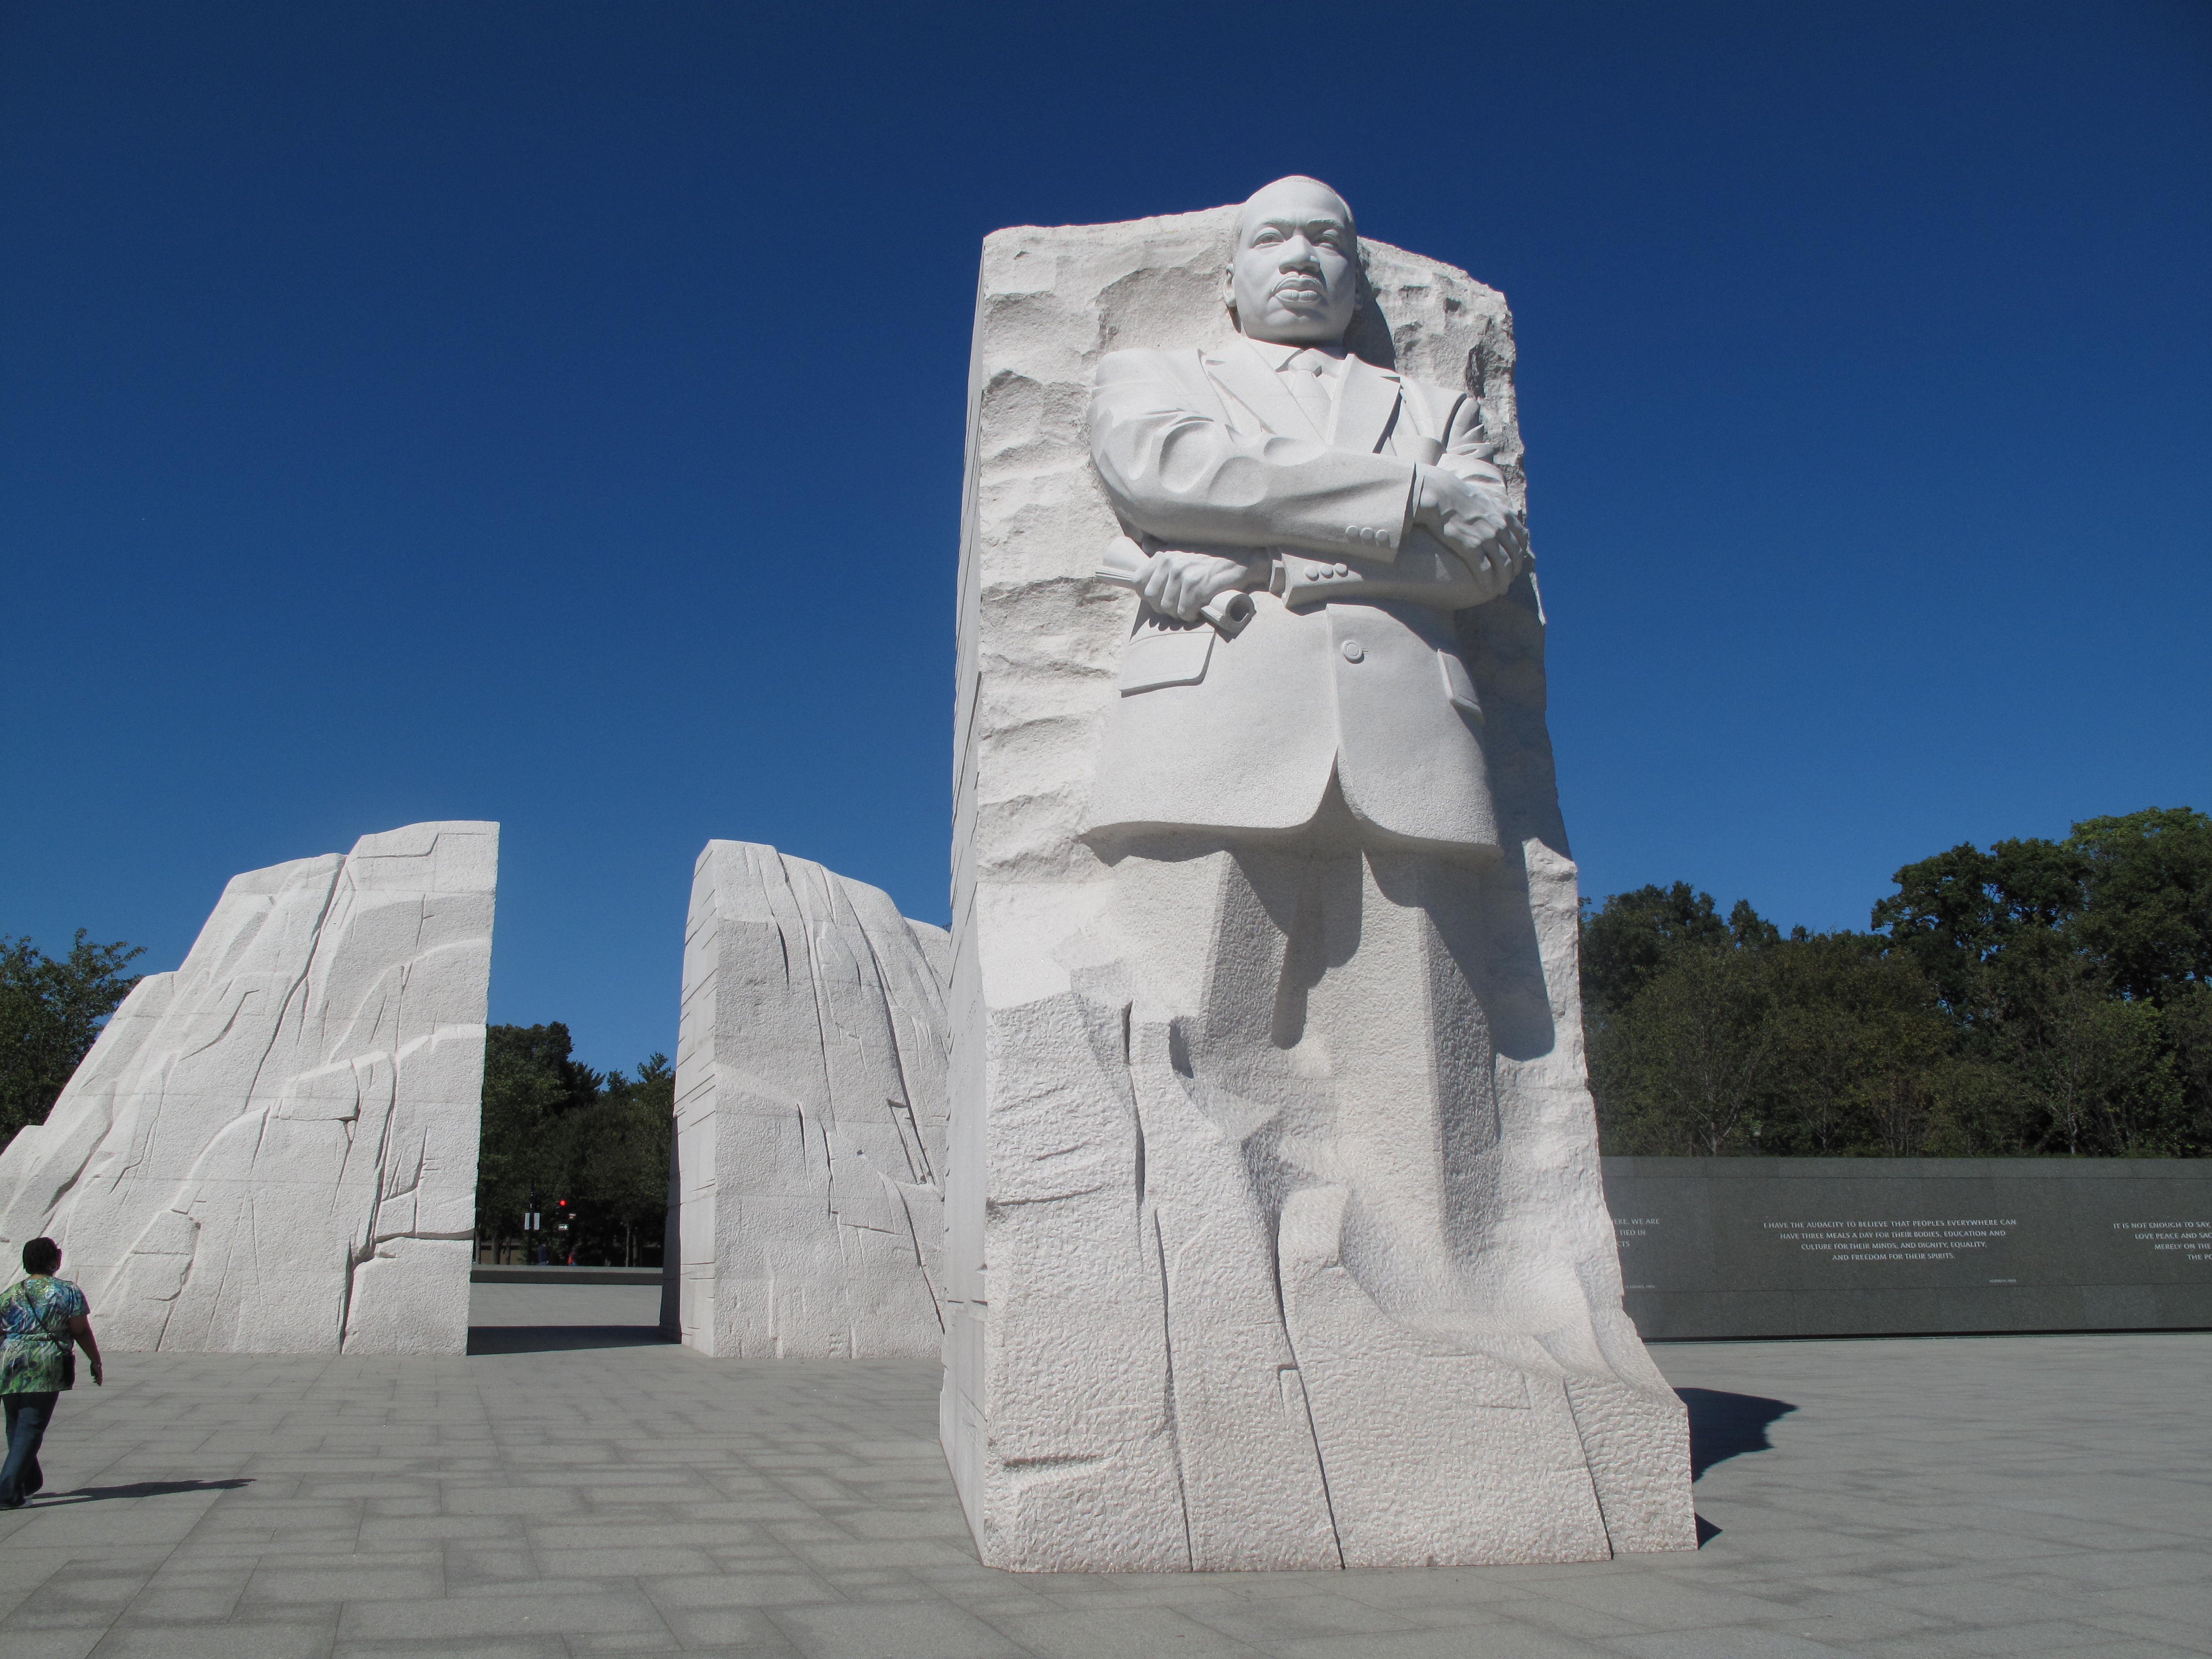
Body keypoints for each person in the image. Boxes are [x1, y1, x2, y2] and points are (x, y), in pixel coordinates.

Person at [0, 1236, 102, 1508]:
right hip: (45, 1362)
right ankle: (7, 1492)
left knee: (16, 1425)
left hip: (10, 1361)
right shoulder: (67, 1291)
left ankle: (28, 1483)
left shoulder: (10, 1293)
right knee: (32, 1426)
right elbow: (79, 1329)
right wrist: (96, 1361)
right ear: (54, 1260)